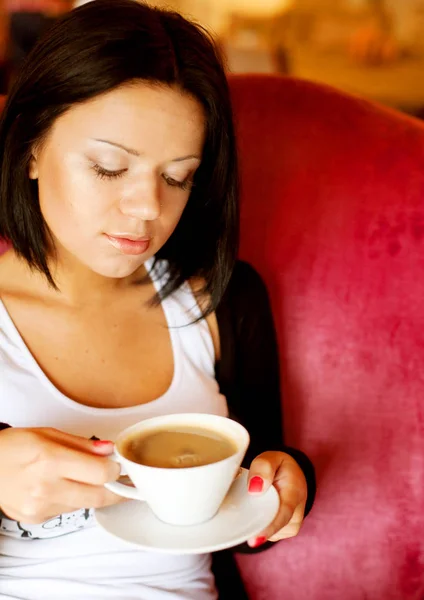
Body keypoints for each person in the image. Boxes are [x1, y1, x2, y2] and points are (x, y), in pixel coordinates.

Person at [0, 0, 315, 598]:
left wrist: (291, 480)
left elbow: (265, 465)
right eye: (109, 167)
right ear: (32, 148)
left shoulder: (225, 301)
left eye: (177, 177)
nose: (147, 207)